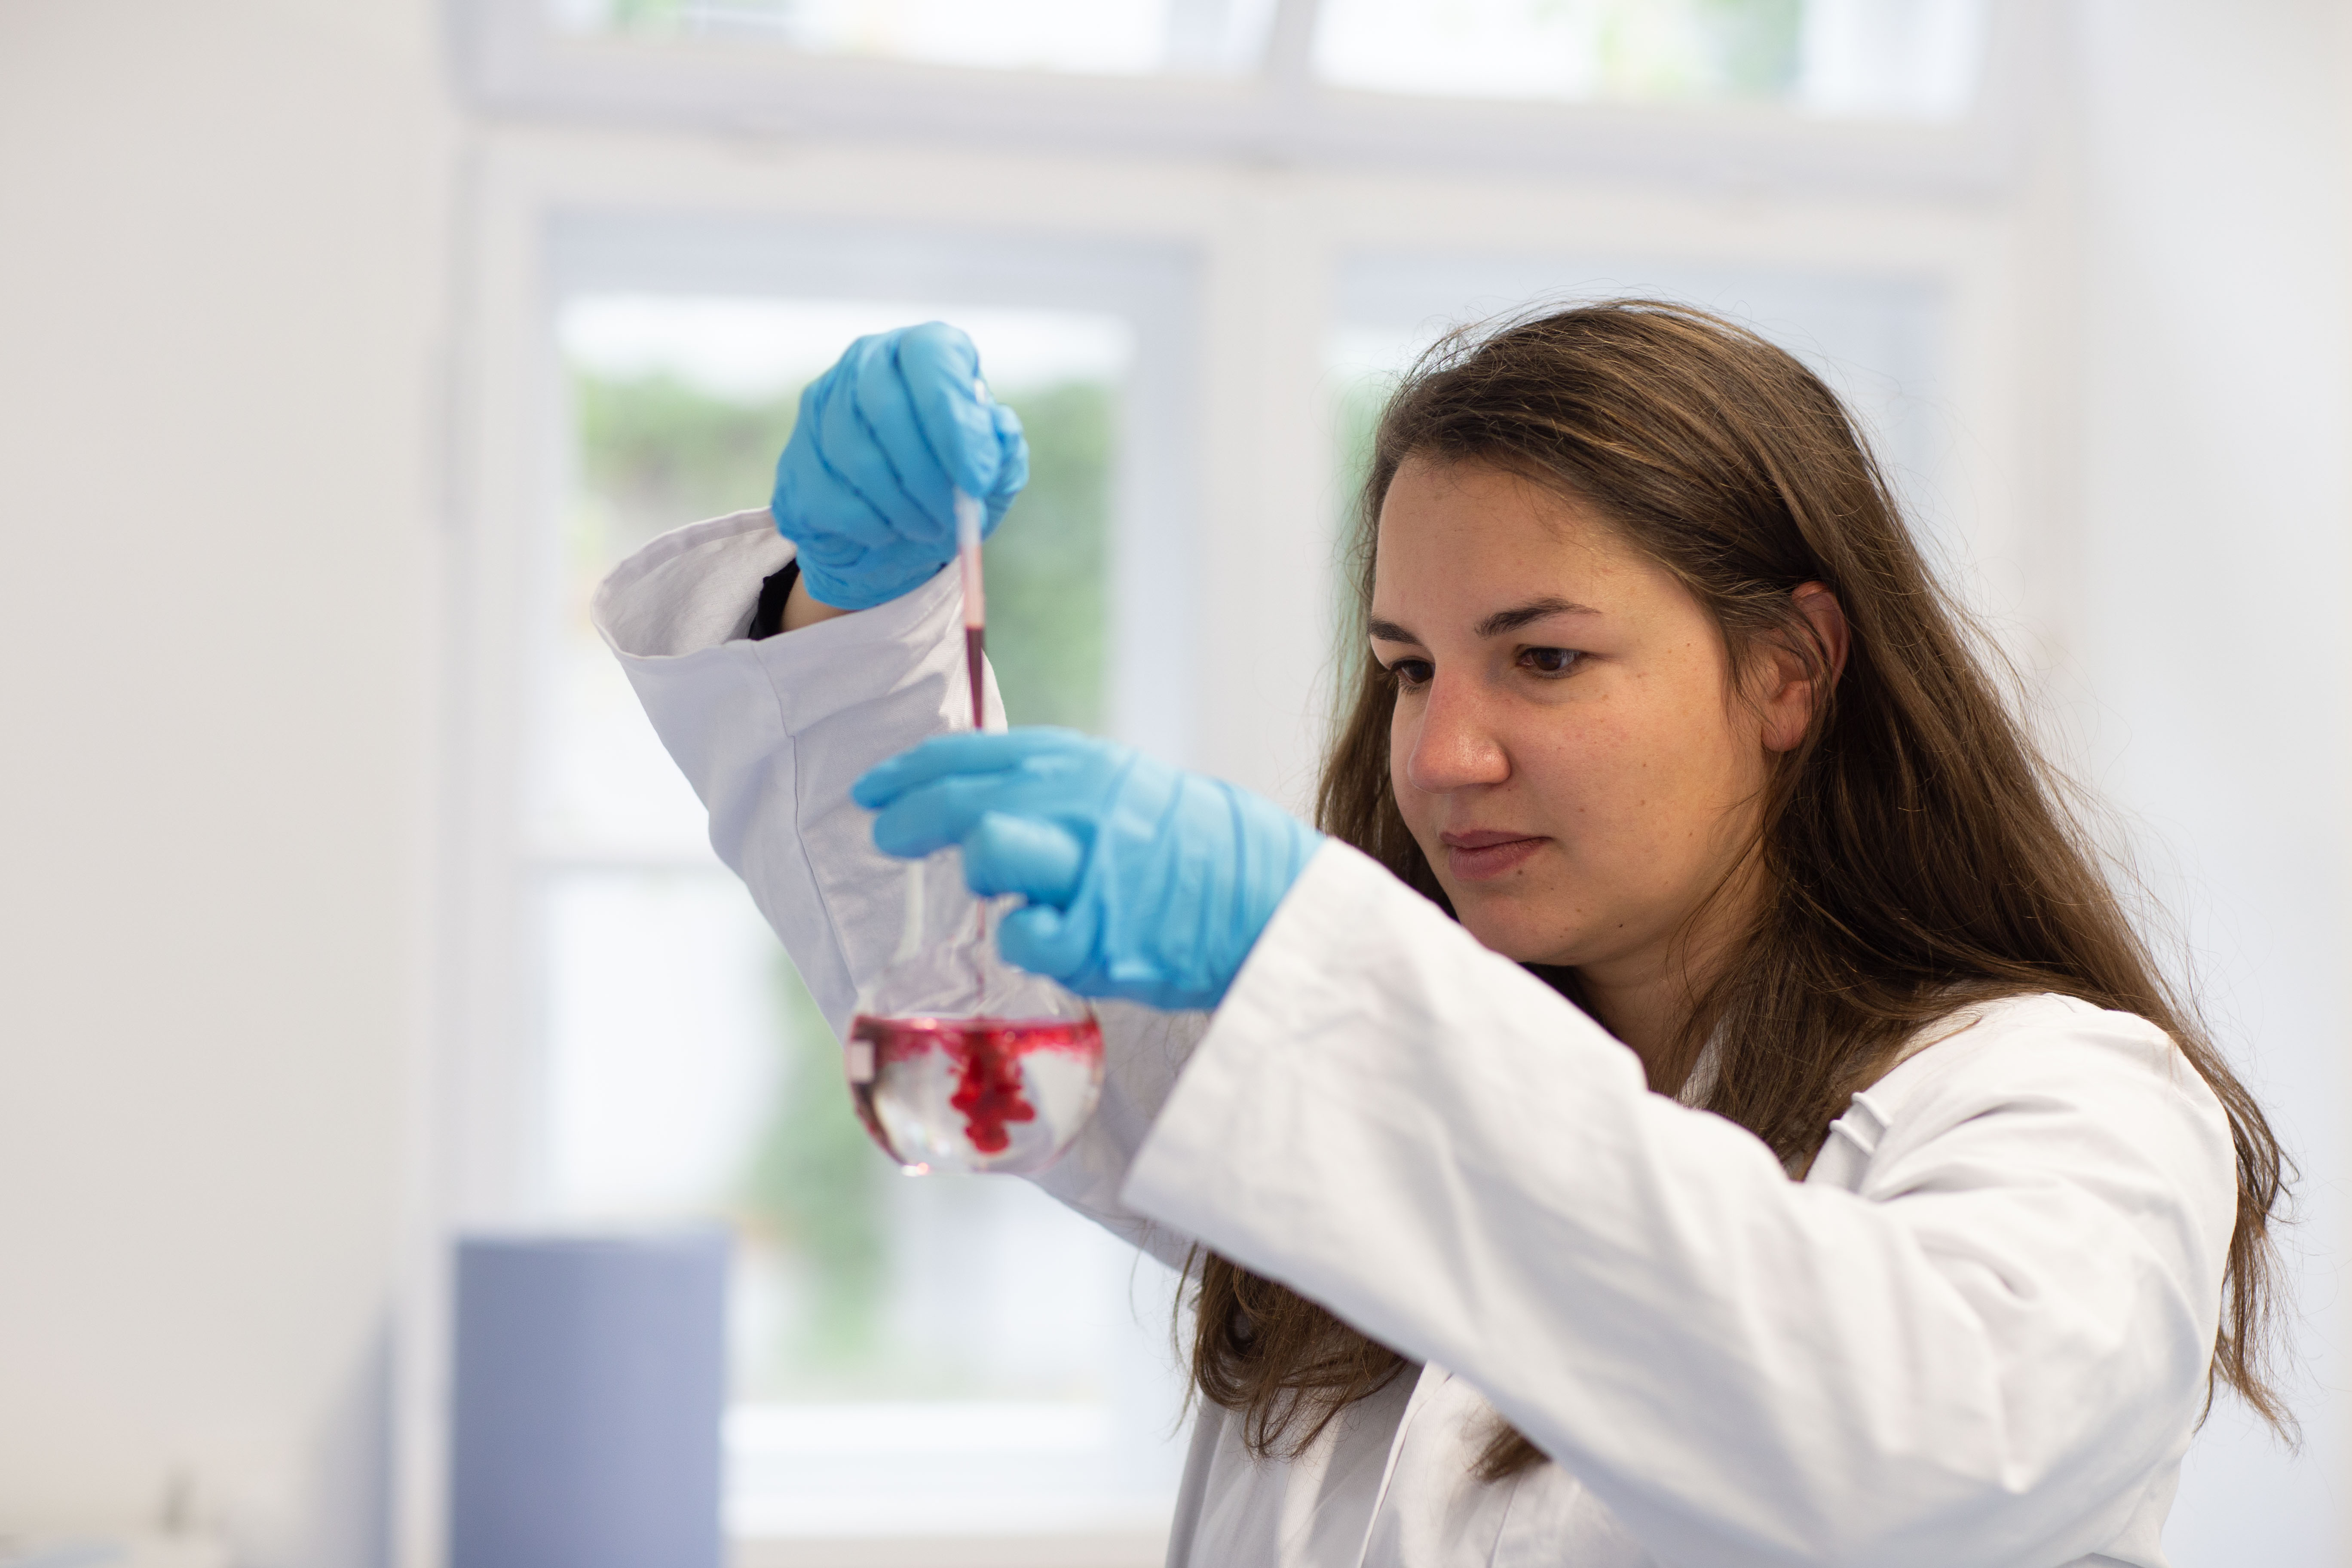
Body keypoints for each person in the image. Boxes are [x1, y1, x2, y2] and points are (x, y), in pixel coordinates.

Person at [593, 307, 2288, 1567]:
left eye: (1544, 659)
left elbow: (1918, 1449)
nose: (1443, 754)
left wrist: (1311, 958)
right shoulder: (1345, 1061)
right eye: (1410, 668)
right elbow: (955, 978)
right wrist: (856, 608)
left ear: (1788, 671)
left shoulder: (2064, 1105)